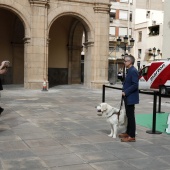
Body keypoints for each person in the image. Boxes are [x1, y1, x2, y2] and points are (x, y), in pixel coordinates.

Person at [119, 54, 139, 142]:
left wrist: (126, 92)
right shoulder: (129, 70)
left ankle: (132, 136)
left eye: (125, 61)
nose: (124, 62)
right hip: (127, 96)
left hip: (130, 96)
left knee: (131, 116)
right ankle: (128, 132)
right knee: (128, 115)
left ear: (130, 62)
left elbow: (135, 85)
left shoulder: (133, 71)